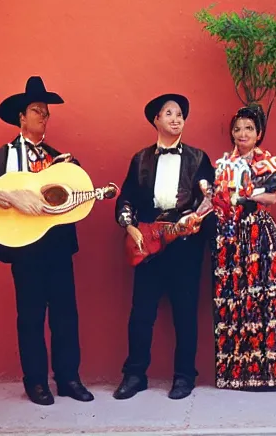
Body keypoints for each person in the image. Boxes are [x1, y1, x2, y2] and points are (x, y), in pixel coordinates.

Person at [0, 76, 93, 405]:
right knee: (30, 316)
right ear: (21, 117)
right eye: (36, 110)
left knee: (65, 315)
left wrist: (73, 173)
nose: (43, 116)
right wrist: (8, 196)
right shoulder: (1, 159)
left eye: (46, 112)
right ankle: (36, 382)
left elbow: (78, 196)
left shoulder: (59, 159)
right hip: (24, 249)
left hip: (57, 247)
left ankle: (69, 378)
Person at [113, 93, 214, 400]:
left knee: (185, 313)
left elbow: (208, 200)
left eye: (180, 114)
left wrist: (195, 220)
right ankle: (134, 375)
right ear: (156, 120)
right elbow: (126, 197)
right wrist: (129, 224)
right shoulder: (140, 159)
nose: (175, 118)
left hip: (184, 244)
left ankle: (184, 377)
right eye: (168, 113)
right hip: (148, 244)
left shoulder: (199, 158)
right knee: (141, 313)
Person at [212, 105, 276, 390]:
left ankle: (275, 374)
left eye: (249, 128)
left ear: (259, 133)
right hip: (230, 236)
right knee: (235, 298)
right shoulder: (225, 164)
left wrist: (245, 195)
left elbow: (274, 197)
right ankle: (237, 374)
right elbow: (215, 199)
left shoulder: (267, 163)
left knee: (263, 297)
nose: (242, 134)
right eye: (237, 128)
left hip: (258, 236)